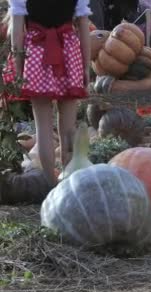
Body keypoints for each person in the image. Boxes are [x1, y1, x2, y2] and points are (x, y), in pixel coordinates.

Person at [3, 0, 92, 186]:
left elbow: (17, 32)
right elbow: (84, 28)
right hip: (69, 52)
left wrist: (18, 68)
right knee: (69, 129)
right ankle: (69, 182)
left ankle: (50, 184)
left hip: (36, 54)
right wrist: (85, 67)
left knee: (43, 128)